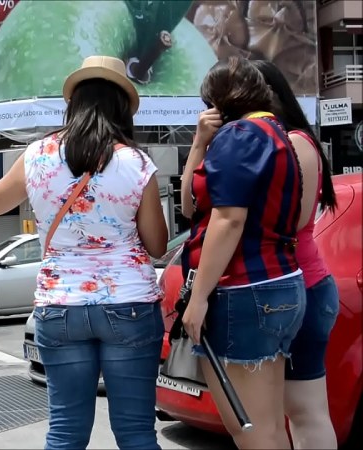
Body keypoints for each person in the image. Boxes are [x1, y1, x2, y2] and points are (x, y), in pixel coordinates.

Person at [0, 56, 168, 450]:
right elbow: (156, 245)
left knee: (65, 431)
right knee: (136, 433)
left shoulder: (37, 154)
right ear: (122, 107)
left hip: (60, 304)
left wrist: (41, 195)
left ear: (73, 103)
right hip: (129, 303)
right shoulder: (135, 162)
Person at [180, 57, 306, 450]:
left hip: (244, 289)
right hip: (279, 281)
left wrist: (198, 298)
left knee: (250, 430)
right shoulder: (277, 132)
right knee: (269, 426)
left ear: (217, 103)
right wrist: (200, 143)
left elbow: (228, 219)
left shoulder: (239, 135)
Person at [250, 59, 340, 449]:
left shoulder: (297, 142)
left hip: (303, 285)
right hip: (287, 286)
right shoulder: (269, 140)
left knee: (305, 410)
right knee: (289, 412)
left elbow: (295, 220)